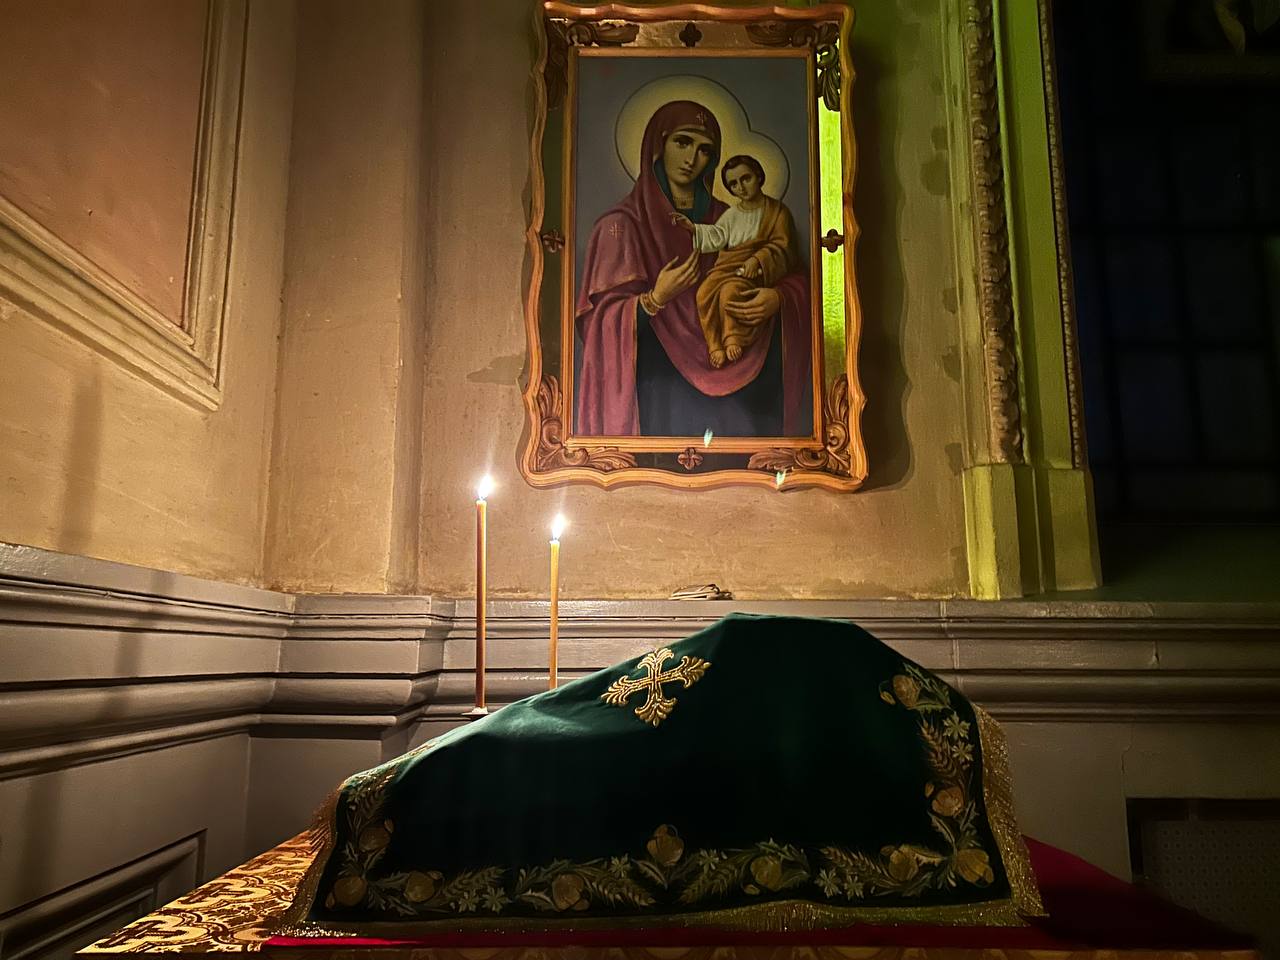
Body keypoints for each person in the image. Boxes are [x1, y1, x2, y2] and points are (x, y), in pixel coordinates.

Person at [574, 100, 812, 438]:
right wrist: (654, 300)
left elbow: (795, 276)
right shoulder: (620, 226)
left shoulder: (732, 218)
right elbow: (599, 325)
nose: (692, 159)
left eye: (704, 150)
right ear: (659, 144)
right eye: (683, 142)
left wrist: (778, 298)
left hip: (741, 394)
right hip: (659, 395)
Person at [671, 155, 801, 369]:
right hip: (726, 268)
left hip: (752, 274)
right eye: (733, 184)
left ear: (758, 176)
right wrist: (693, 228)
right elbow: (718, 236)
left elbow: (783, 247)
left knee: (729, 292)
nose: (741, 187)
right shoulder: (732, 214)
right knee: (703, 294)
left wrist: (757, 260)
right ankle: (715, 345)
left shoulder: (777, 212)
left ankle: (732, 338)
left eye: (745, 178)